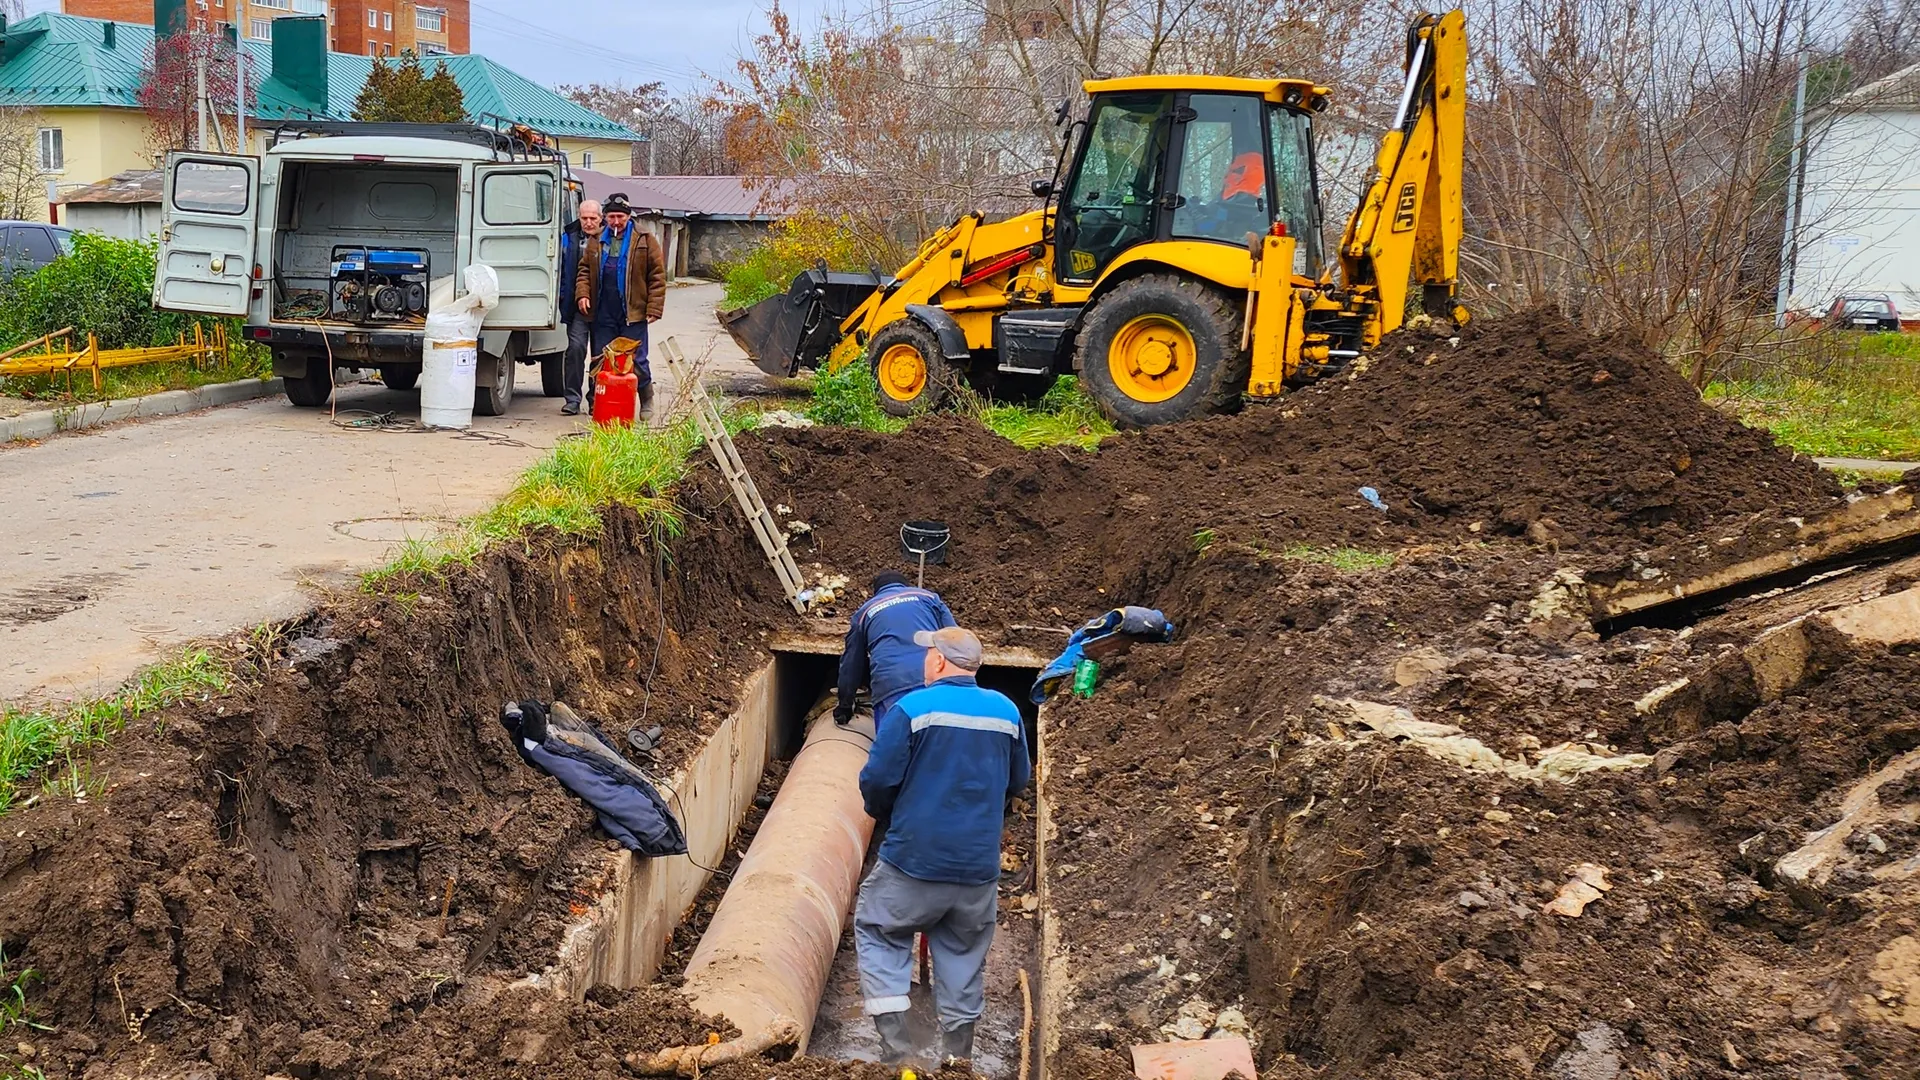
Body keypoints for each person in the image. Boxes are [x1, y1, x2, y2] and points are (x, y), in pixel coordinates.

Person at [855, 626, 1030, 1064]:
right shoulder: (1007, 712)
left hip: (913, 862)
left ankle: (898, 1055)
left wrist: (886, 814)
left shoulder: (911, 709)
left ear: (937, 661)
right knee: (963, 954)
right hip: (977, 870)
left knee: (879, 930)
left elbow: (878, 780)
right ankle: (958, 1059)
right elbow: (1018, 780)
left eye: (927, 653)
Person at [575, 193, 667, 420]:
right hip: (603, 311)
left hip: (632, 312)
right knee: (601, 359)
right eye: (611, 217)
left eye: (620, 217)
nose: (616, 221)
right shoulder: (596, 240)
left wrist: (654, 307)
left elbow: (657, 275)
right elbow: (584, 270)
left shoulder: (644, 239)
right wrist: (583, 295)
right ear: (605, 217)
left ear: (628, 216)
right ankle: (600, 403)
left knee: (637, 359)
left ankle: (646, 399)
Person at [834, 572, 956, 727]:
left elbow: (852, 663)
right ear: (905, 585)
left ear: (877, 592)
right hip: (935, 678)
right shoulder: (930, 598)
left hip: (891, 686)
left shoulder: (865, 612)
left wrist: (845, 706)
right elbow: (956, 640)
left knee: (892, 740)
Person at [558, 199, 601, 416]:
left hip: (604, 308)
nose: (588, 222)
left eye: (593, 218)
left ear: (600, 218)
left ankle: (595, 399)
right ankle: (572, 399)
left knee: (600, 355)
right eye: (584, 218)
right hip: (577, 307)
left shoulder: (610, 238)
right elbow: (560, 270)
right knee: (575, 349)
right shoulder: (568, 237)